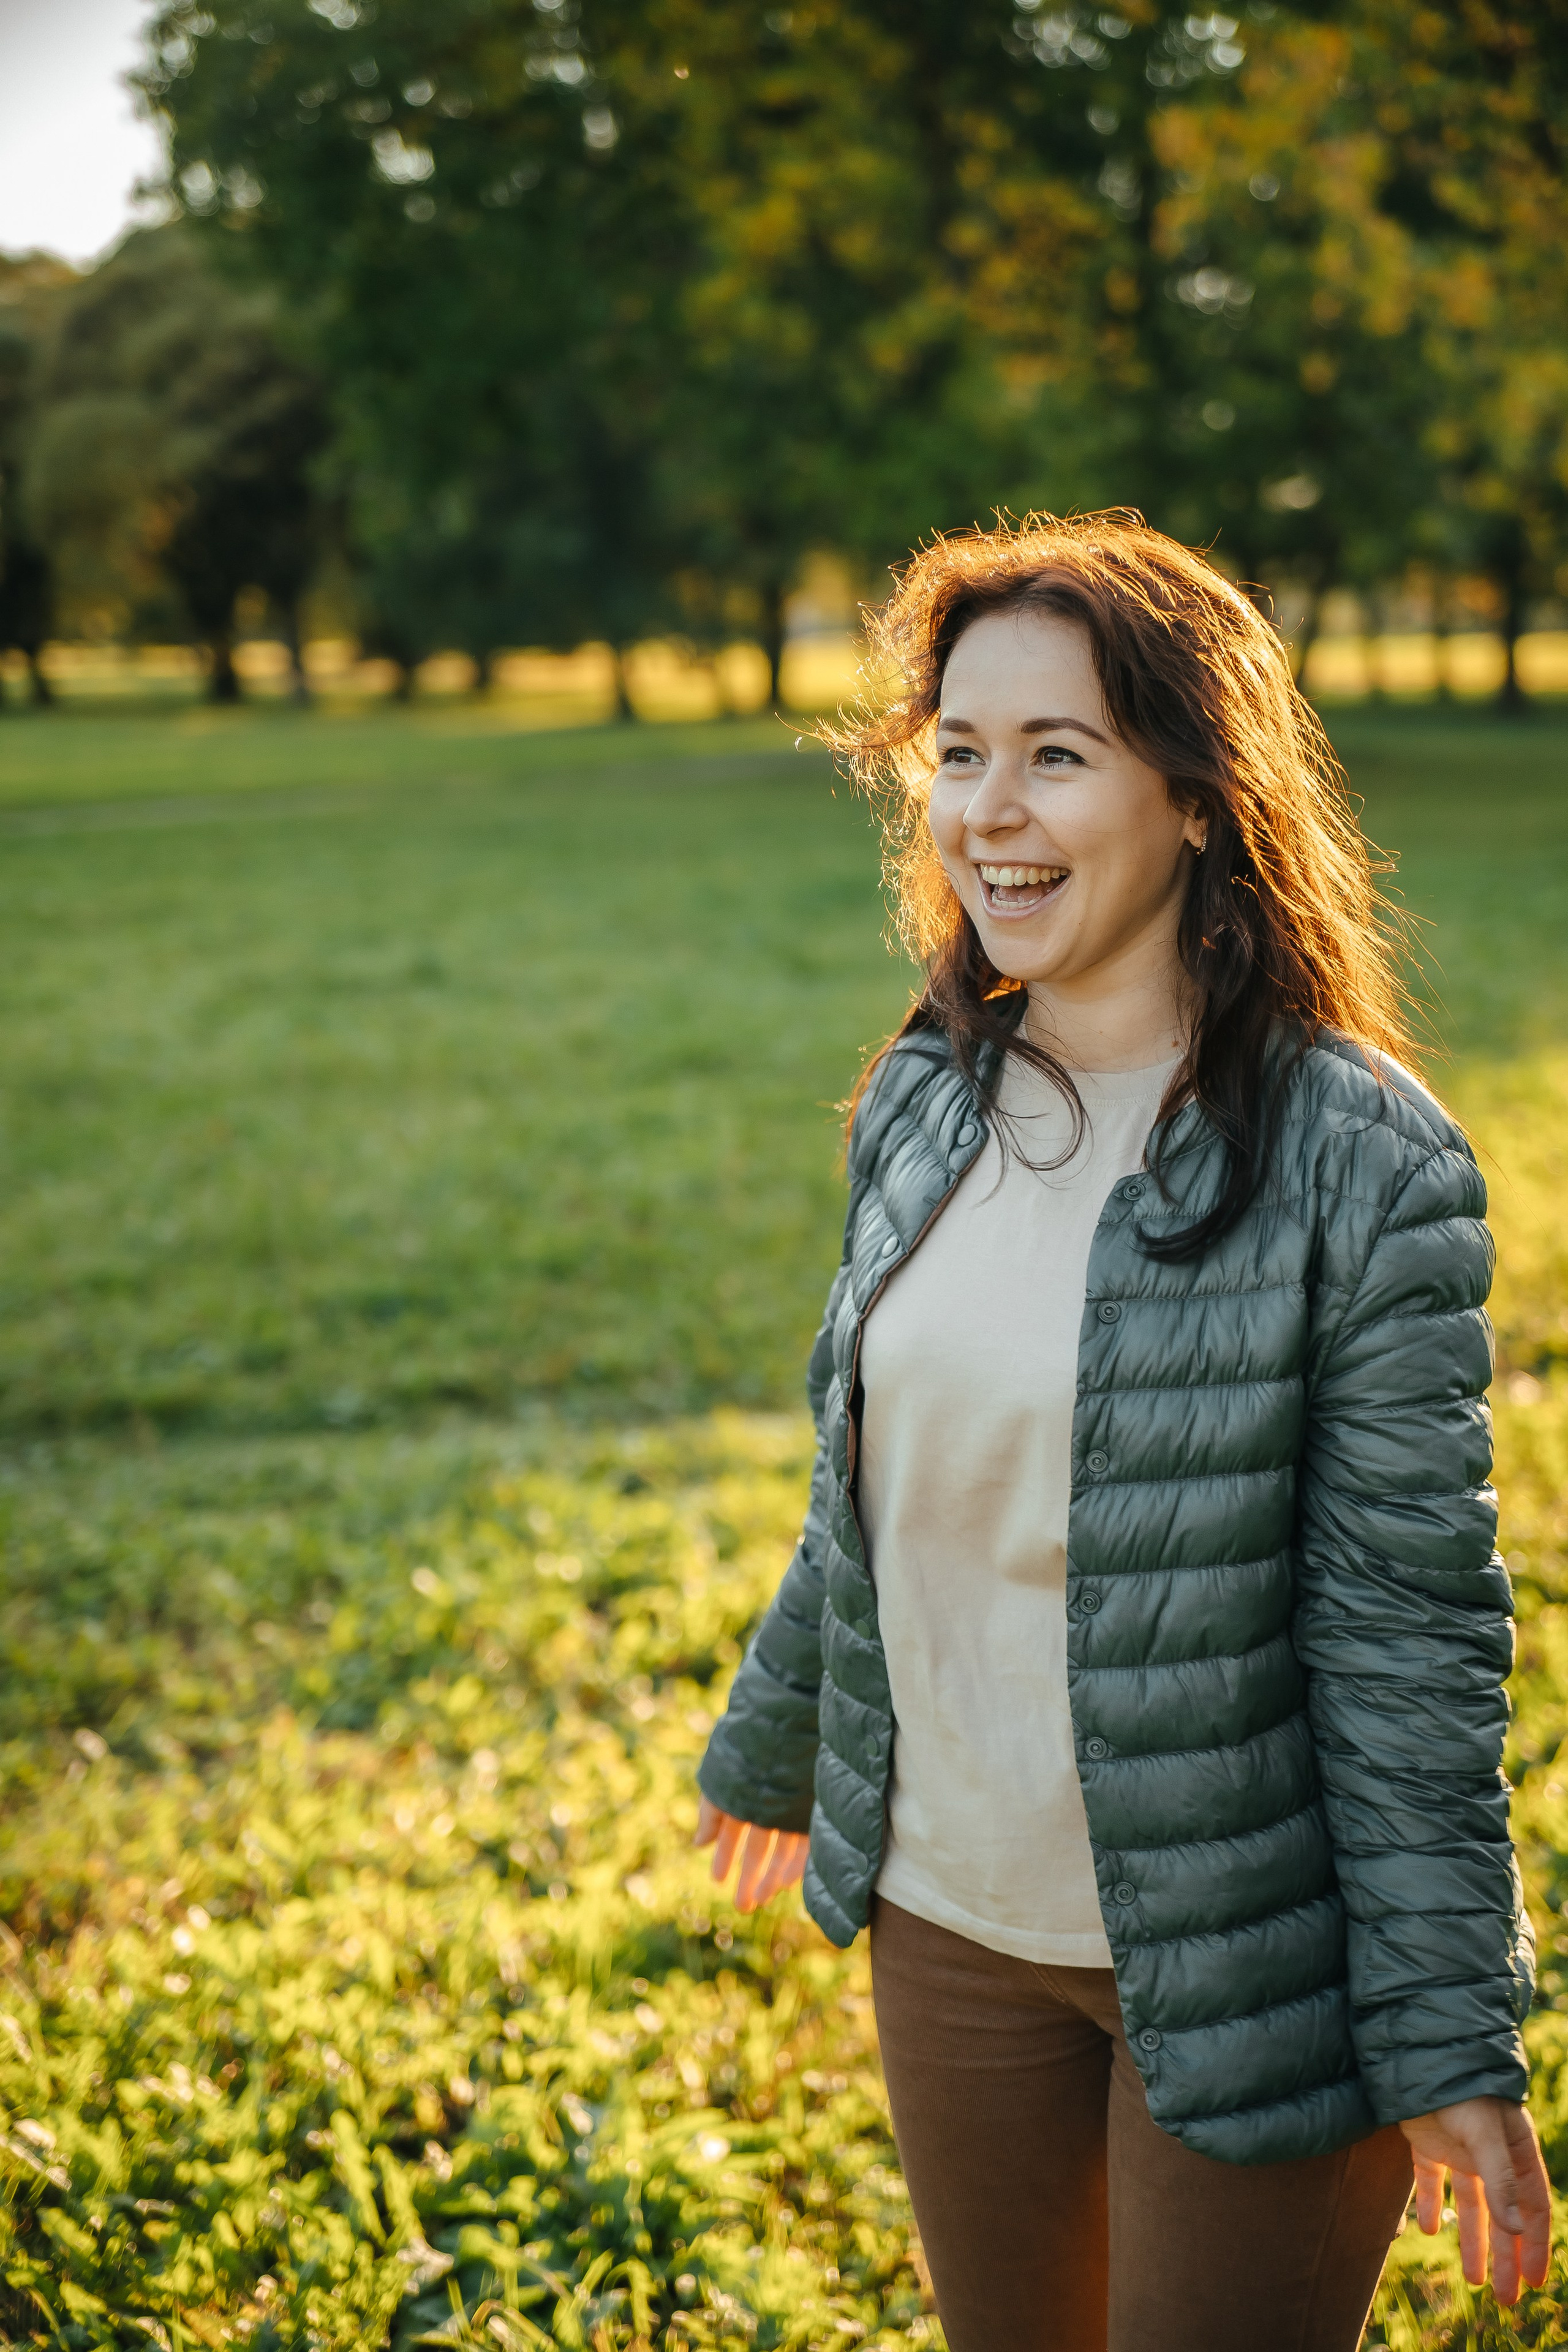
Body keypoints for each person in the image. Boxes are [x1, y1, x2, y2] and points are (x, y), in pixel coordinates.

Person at [691, 513, 1551, 2351]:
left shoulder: (1357, 1160)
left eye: (1056, 755)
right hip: (946, 1925)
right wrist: (775, 1734)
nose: (989, 810)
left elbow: (1407, 1636)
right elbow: (873, 1490)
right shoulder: (925, 1098)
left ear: (1192, 794)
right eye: (959, 753)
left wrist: (1448, 2026)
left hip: (1247, 1959)